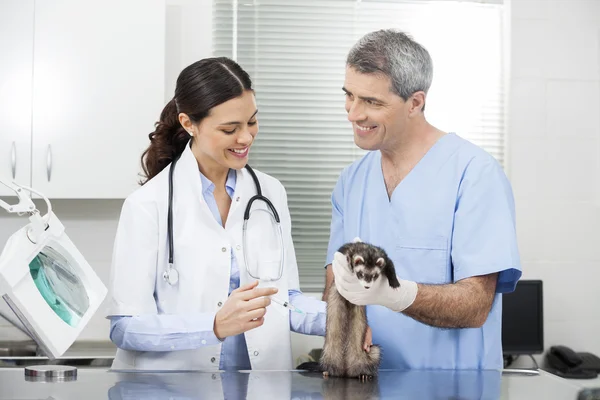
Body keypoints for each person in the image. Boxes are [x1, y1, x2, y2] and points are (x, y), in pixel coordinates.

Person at [106, 57, 328, 371]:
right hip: (173, 390)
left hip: (258, 385)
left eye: (251, 122)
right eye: (229, 129)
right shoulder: (147, 205)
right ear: (188, 124)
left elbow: (285, 301)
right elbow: (125, 327)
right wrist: (213, 325)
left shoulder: (270, 193)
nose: (246, 138)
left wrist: (344, 323)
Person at [322, 29, 522, 370]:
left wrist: (396, 295)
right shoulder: (351, 182)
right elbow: (335, 287)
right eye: (349, 95)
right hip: (368, 383)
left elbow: (475, 305)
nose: (353, 114)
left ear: (415, 102)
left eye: (371, 102)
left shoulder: (474, 175)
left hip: (448, 386)